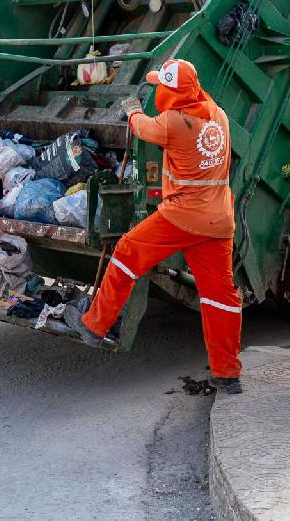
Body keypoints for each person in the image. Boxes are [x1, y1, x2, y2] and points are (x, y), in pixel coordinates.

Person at [64, 58, 243, 394]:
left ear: (172, 92)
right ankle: (227, 374)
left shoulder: (173, 122)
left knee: (126, 253)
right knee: (220, 298)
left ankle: (94, 326)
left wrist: (131, 109)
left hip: (183, 217)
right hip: (218, 219)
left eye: (162, 85)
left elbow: (143, 128)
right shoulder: (217, 114)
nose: (159, 90)